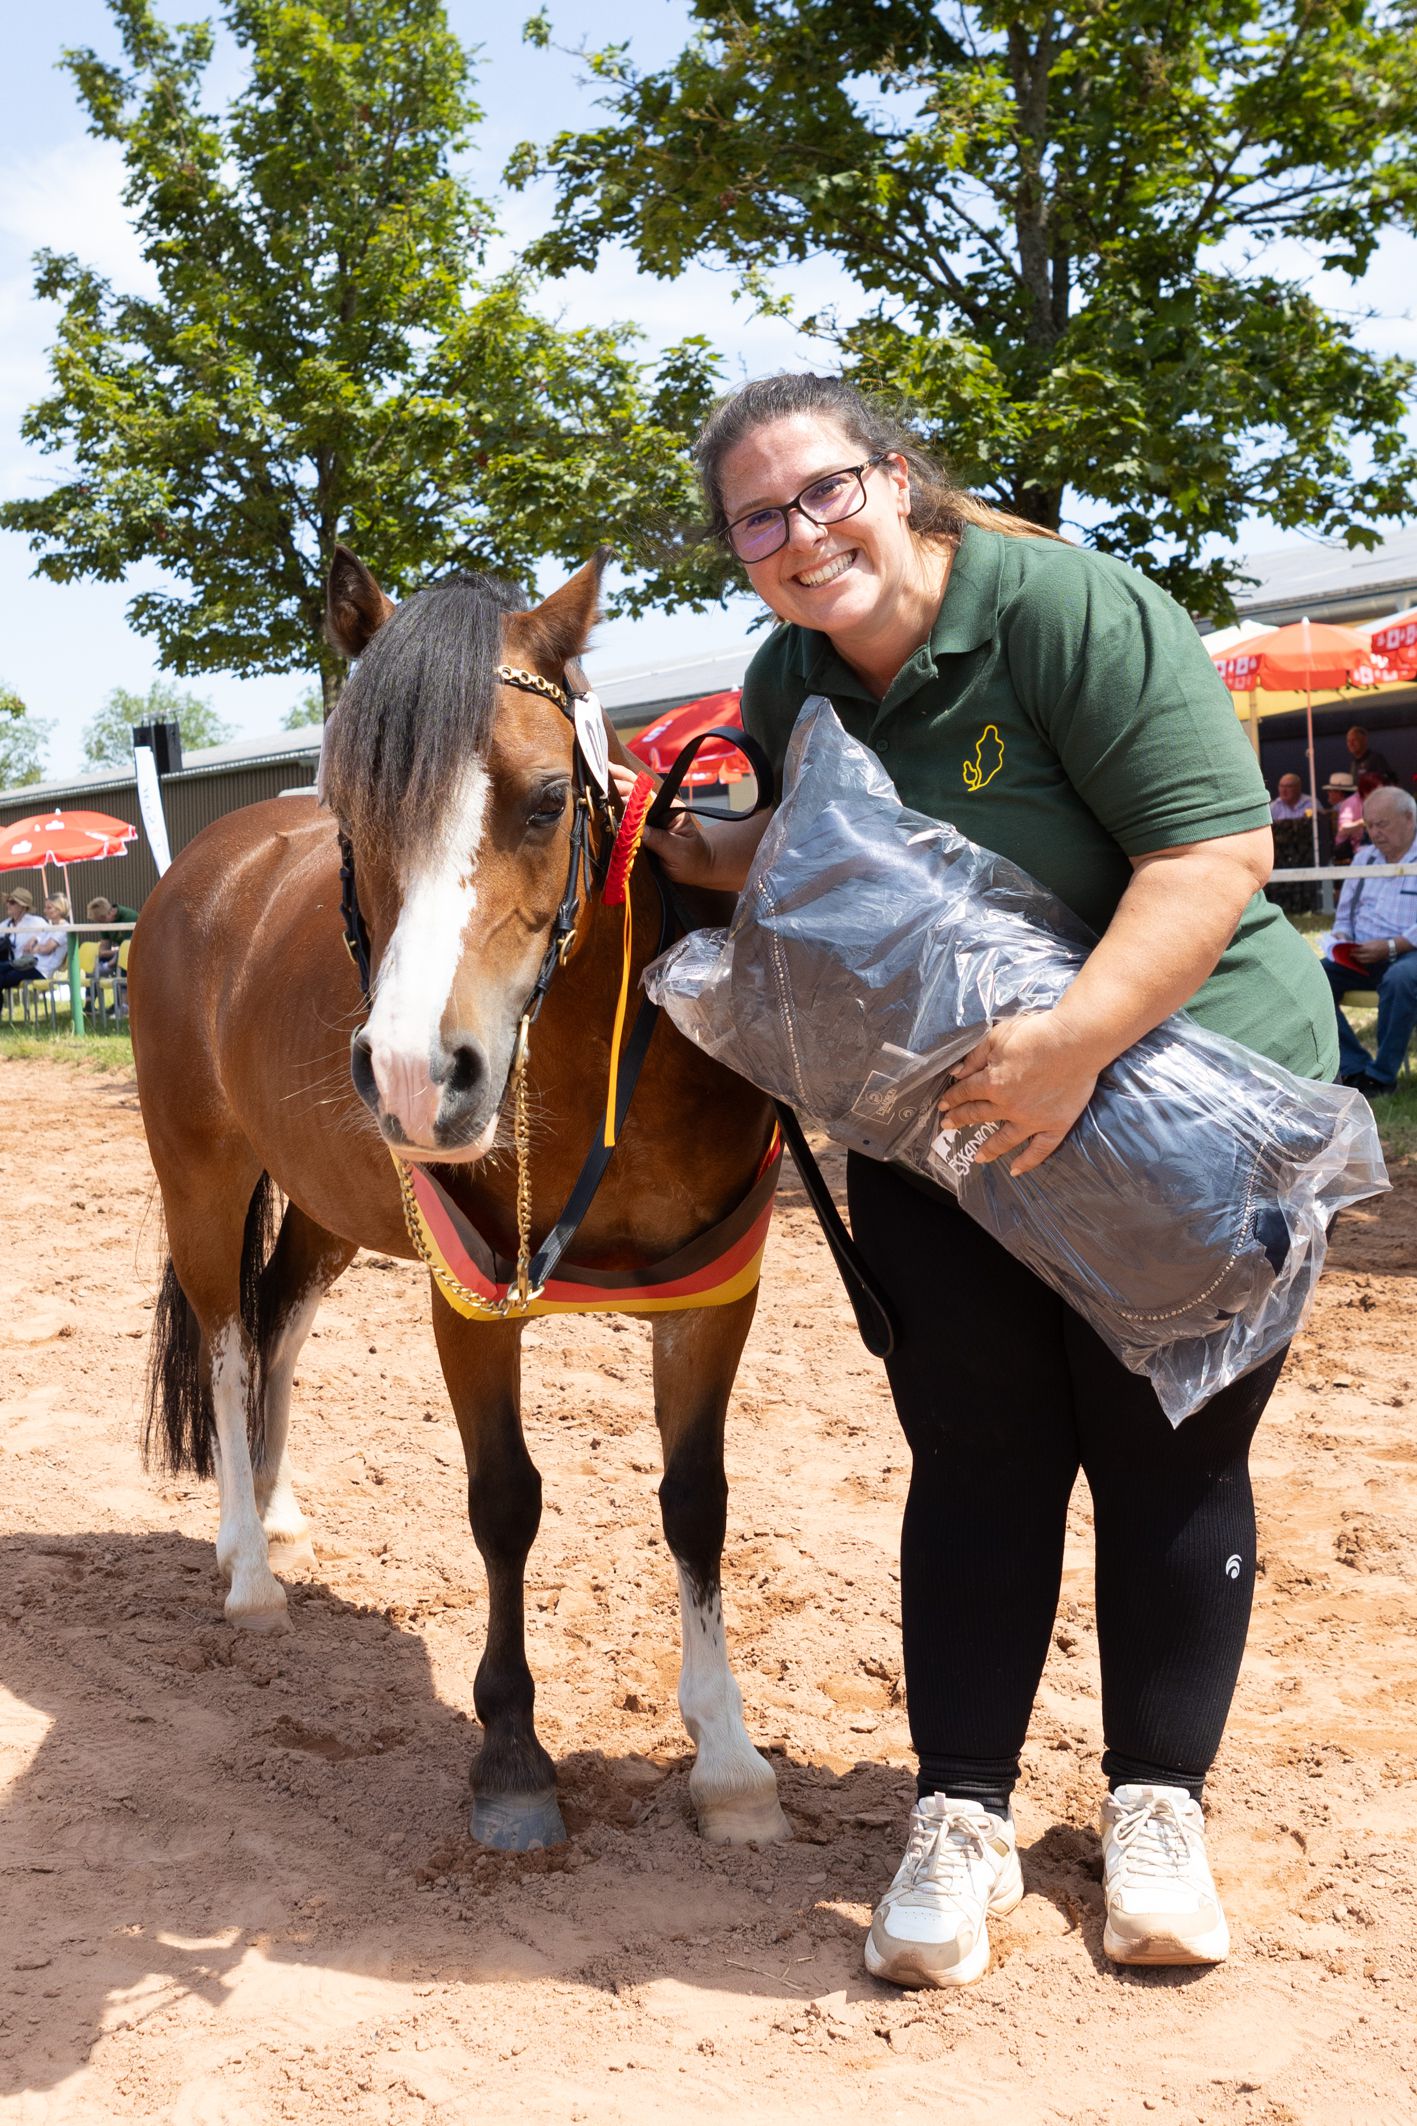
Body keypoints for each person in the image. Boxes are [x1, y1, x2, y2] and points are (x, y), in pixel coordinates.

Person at [622, 373, 1337, 1988]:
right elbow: (814, 847)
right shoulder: (783, 673)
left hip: (1187, 1095)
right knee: (978, 1452)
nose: (802, 538)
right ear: (734, 552)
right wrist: (681, 843)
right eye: (757, 517)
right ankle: (960, 1811)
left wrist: (1076, 1041)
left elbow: (1209, 852)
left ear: (897, 479)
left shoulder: (1069, 609)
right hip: (947, 1119)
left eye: (825, 491)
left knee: (1165, 1449)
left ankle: (1158, 1803)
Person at [1321, 785, 1417, 1095]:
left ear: (1410, 819)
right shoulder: (1363, 859)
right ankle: (1353, 1067)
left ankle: (1381, 1077)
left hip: (1409, 954)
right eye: (1369, 825)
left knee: (1401, 977)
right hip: (1361, 956)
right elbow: (1345, 915)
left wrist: (1392, 946)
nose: (1375, 833)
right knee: (1310, 979)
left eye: (1382, 824)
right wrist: (1341, 938)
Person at [0, 888, 47, 992]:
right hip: (12, 965)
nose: (7, 904)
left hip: (30, 966)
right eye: (7, 901)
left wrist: (36, 939)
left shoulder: (36, 922)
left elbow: (51, 934)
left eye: (12, 902)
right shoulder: (5, 924)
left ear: (23, 906)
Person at [1324, 772, 1365, 862]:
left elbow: (1343, 830)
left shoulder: (1346, 805)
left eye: (1330, 791)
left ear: (1339, 793)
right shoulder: (1357, 802)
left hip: (1348, 853)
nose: (1328, 794)